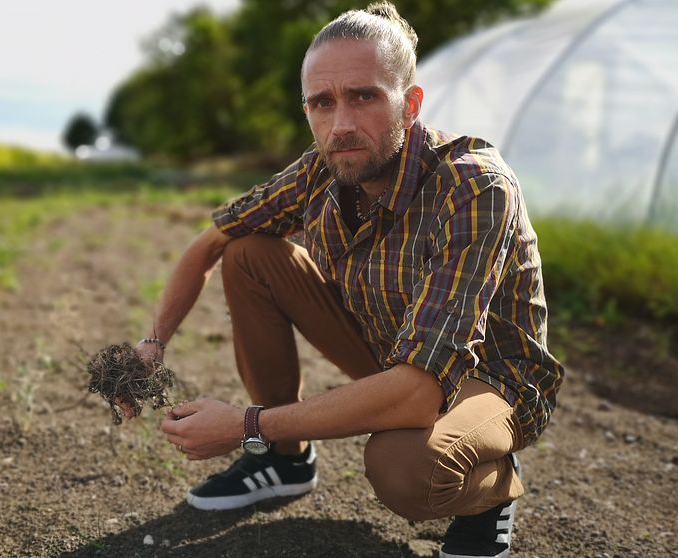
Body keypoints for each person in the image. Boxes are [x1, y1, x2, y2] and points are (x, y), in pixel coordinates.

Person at [131, 3, 563, 557]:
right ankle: (287, 460)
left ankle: (490, 488)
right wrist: (153, 344)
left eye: (364, 96)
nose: (341, 125)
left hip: (488, 378)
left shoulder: (474, 187)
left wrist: (246, 424)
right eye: (322, 103)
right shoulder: (324, 165)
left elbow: (418, 391)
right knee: (249, 254)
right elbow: (210, 243)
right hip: (394, 353)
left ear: (409, 104)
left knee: (404, 466)